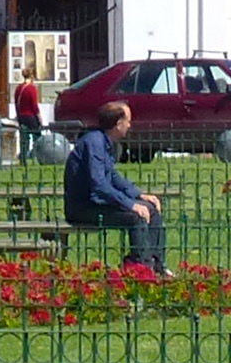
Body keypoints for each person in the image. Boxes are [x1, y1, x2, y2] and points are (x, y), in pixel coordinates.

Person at [61, 100, 165, 275]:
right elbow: (99, 185)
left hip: (98, 203)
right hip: (84, 207)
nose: (130, 125)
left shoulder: (103, 142)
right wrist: (130, 205)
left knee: (151, 209)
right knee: (136, 217)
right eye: (128, 121)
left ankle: (157, 265)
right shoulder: (93, 143)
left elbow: (113, 176)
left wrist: (140, 195)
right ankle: (141, 269)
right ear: (118, 124)